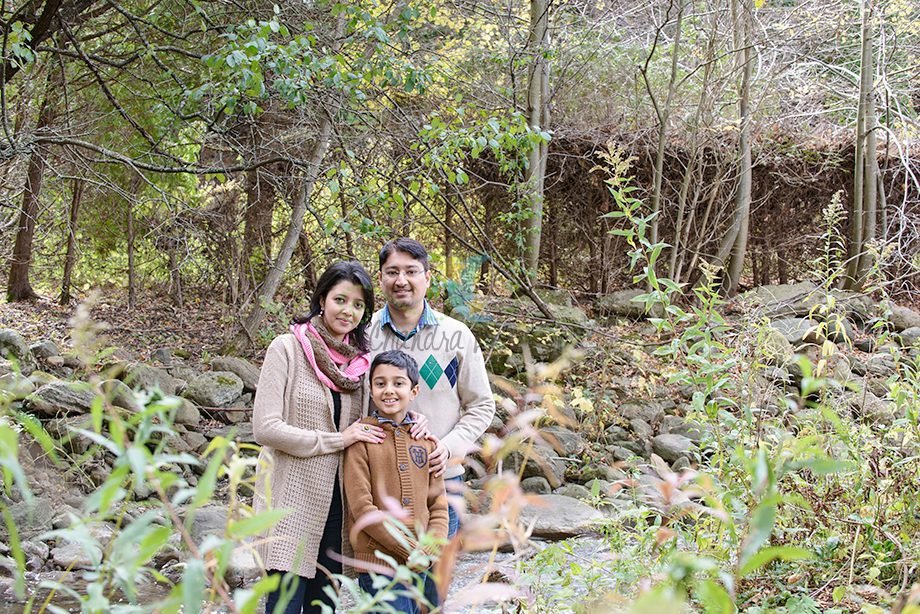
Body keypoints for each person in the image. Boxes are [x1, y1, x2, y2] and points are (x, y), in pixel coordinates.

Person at [251, 261, 429, 614]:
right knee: (284, 605)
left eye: (359, 305)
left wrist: (413, 418)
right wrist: (335, 440)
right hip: (290, 500)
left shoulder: (359, 366)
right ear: (321, 300)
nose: (348, 311)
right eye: (340, 300)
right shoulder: (286, 349)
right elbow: (265, 428)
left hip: (340, 506)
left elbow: (374, 419)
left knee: (325, 606)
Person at [369, 238, 496, 537]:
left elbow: (481, 405)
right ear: (381, 279)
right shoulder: (364, 336)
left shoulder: (456, 336)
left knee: (434, 580)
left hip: (441, 478)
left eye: (411, 271)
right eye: (392, 272)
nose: (401, 281)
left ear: (427, 277)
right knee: (381, 579)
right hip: (379, 481)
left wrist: (448, 447)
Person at [344, 350, 448, 613]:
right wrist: (410, 549)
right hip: (379, 563)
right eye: (380, 383)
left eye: (398, 383)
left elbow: (438, 504)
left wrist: (430, 548)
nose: (389, 390)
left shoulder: (425, 440)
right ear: (371, 389)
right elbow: (362, 508)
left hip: (419, 561)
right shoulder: (362, 440)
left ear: (414, 391)